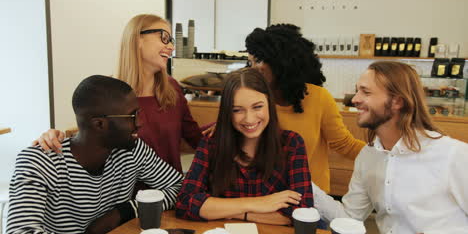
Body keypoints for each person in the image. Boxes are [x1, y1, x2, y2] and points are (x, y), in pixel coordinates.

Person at [7, 75, 183, 234]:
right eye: (132, 116)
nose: (140, 123)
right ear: (99, 124)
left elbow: (181, 187)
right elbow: (21, 231)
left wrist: (123, 211)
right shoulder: (39, 162)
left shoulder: (132, 150)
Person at [311, 61, 468, 234]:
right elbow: (349, 219)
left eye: (366, 92)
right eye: (357, 91)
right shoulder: (368, 156)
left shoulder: (453, 154)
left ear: (397, 101)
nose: (355, 99)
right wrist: (304, 183)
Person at [34, 14, 203, 173]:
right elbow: (87, 137)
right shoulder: (108, 92)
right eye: (164, 37)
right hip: (119, 197)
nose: (171, 47)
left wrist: (225, 125)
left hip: (167, 192)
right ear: (137, 39)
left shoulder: (171, 88)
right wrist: (55, 137)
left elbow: (195, 137)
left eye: (171, 40)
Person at [175, 68, 314, 225]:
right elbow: (185, 203)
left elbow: (302, 213)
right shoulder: (211, 144)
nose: (249, 119)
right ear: (227, 111)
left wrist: (228, 211)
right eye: (237, 110)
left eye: (257, 107)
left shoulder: (292, 144)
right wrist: (258, 203)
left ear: (270, 103)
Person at [245, 24, 365, 193]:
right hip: (265, 196)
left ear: (281, 61)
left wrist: (386, 157)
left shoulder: (319, 98)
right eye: (250, 62)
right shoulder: (252, 99)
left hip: (311, 197)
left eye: (258, 60)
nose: (253, 68)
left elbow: (344, 144)